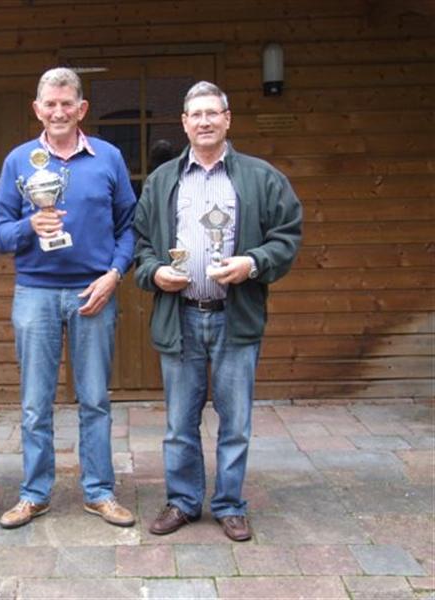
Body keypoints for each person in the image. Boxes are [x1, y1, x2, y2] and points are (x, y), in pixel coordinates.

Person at [133, 81, 302, 542]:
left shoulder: (261, 177)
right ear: (184, 123)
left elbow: (287, 235)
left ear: (227, 119)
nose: (204, 121)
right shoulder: (162, 180)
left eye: (213, 113)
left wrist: (253, 263)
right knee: (178, 423)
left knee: (236, 421)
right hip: (181, 315)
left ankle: (229, 504)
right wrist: (155, 272)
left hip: (235, 315)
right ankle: (183, 501)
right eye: (196, 114)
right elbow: (141, 243)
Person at [0, 67, 137, 529]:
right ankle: (35, 494)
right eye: (50, 104)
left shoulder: (108, 157)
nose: (58, 112)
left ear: (82, 109)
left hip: (93, 290)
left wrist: (114, 274)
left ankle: (99, 492)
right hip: (34, 292)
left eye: (67, 104)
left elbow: (130, 226)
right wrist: (29, 226)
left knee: (95, 399)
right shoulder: (19, 161)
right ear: (37, 109)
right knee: (35, 403)